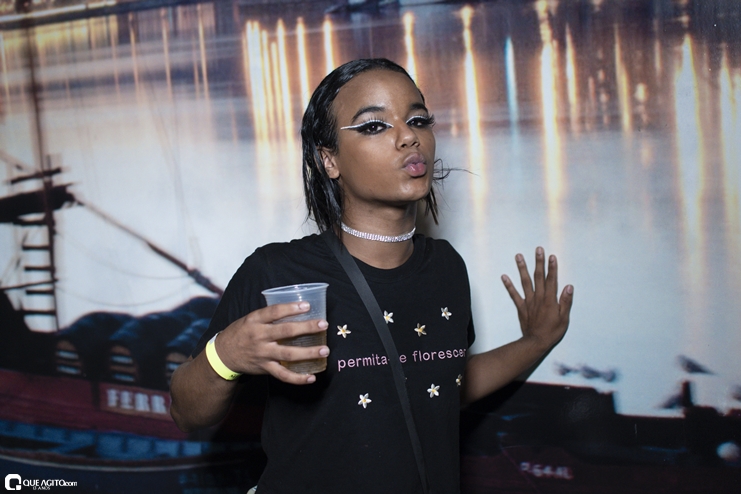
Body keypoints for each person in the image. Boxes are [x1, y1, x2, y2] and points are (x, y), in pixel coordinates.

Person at [170, 58, 573, 493]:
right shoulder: (276, 271)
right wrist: (226, 354)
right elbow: (187, 412)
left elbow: (439, 384)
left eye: (418, 120)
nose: (408, 136)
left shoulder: (446, 268)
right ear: (329, 160)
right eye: (374, 126)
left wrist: (536, 341)